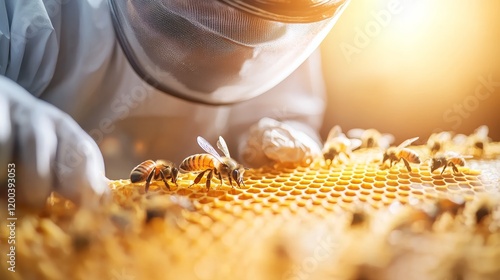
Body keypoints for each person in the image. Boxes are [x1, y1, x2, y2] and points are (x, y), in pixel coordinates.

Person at [0, 0, 349, 210]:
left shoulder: (290, 20)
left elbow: (287, 123)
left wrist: (285, 140)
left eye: (263, 32)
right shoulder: (37, 14)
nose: (242, 55)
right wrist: (8, 106)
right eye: (212, 20)